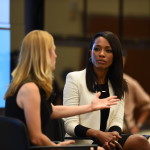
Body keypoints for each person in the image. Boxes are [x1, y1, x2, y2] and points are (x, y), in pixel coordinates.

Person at [4, 30, 120, 149]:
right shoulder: (29, 88)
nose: (56, 55)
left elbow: (52, 110)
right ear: (44, 55)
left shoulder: (26, 85)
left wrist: (90, 107)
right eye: (53, 51)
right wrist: (57, 147)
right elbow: (36, 137)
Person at [63, 31, 150, 150]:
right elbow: (69, 125)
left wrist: (113, 135)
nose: (102, 54)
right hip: (82, 141)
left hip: (107, 139)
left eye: (108, 50)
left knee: (140, 141)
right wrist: (98, 134)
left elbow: (117, 121)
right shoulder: (74, 78)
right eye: (97, 49)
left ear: (115, 56)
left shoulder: (118, 83)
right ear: (90, 53)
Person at [122, 50, 150, 134]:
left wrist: (138, 125)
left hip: (125, 131)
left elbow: (148, 104)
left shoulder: (130, 83)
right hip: (102, 133)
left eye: (122, 63)